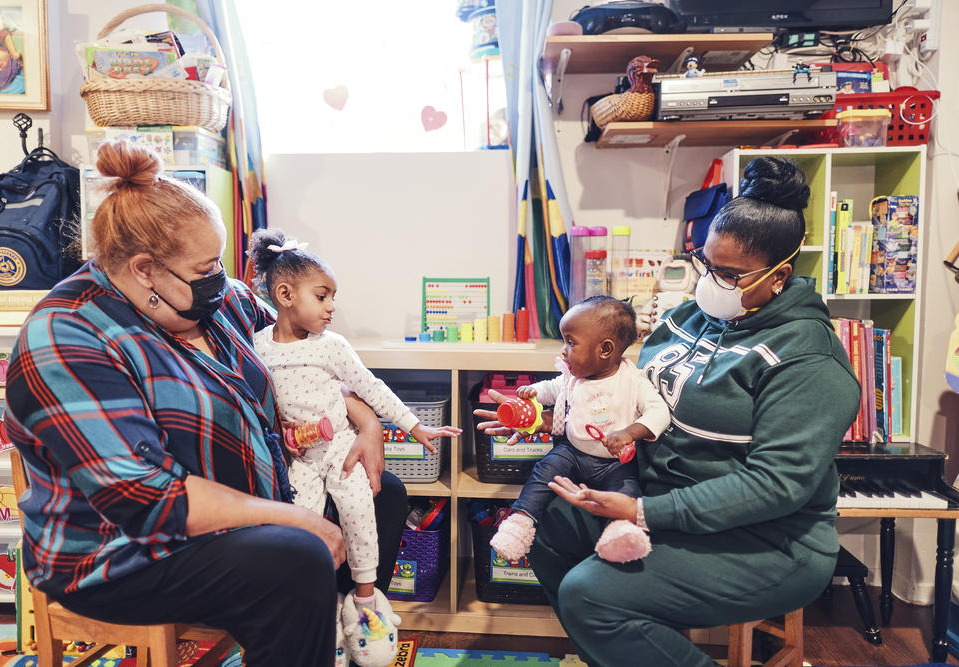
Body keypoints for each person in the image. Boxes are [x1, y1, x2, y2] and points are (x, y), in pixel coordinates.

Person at [5, 140, 408, 667]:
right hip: (121, 552)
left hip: (243, 507)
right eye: (206, 266)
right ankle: (302, 631)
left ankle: (333, 628)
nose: (222, 278)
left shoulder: (218, 303)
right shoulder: (67, 336)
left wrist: (366, 420)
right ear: (145, 270)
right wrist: (293, 519)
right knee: (296, 561)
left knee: (384, 493)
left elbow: (304, 357)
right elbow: (148, 499)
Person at [477, 156, 860, 666]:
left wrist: (641, 511)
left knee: (590, 596)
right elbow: (627, 391)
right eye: (706, 265)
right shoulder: (689, 316)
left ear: (778, 276)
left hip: (768, 542)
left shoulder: (809, 361)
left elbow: (776, 486)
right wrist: (558, 413)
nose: (710, 283)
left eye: (728, 274)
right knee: (546, 529)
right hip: (657, 501)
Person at [246, 228, 461, 667]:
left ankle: (366, 606)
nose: (332, 307)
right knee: (303, 533)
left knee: (360, 512)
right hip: (297, 459)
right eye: (322, 296)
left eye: (332, 297)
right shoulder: (257, 346)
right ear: (285, 294)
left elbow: (370, 388)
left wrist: (414, 425)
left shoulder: (334, 346)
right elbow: (255, 402)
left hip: (341, 447)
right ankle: (322, 614)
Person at [488, 296, 670, 564]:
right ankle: (521, 522)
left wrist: (629, 433)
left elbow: (659, 412)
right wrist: (533, 392)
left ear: (605, 349)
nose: (563, 350)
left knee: (627, 488)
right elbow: (552, 388)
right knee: (543, 471)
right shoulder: (573, 378)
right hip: (573, 452)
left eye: (571, 342)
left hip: (614, 463)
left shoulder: (633, 382)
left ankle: (620, 532)